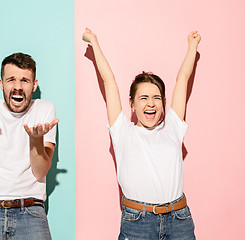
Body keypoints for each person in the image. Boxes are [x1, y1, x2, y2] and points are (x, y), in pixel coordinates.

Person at [82, 28, 201, 239]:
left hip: (179, 219)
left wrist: (192, 47)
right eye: (143, 97)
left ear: (164, 104)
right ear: (132, 104)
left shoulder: (173, 126)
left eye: (156, 98)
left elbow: (182, 79)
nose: (151, 103)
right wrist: (94, 42)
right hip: (138, 222)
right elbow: (108, 80)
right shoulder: (122, 131)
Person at [0, 52, 59, 240]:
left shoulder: (44, 109)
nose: (17, 87)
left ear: (34, 85)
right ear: (1, 84)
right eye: (11, 80)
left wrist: (36, 140)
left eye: (24, 80)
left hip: (30, 211)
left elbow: (40, 172)